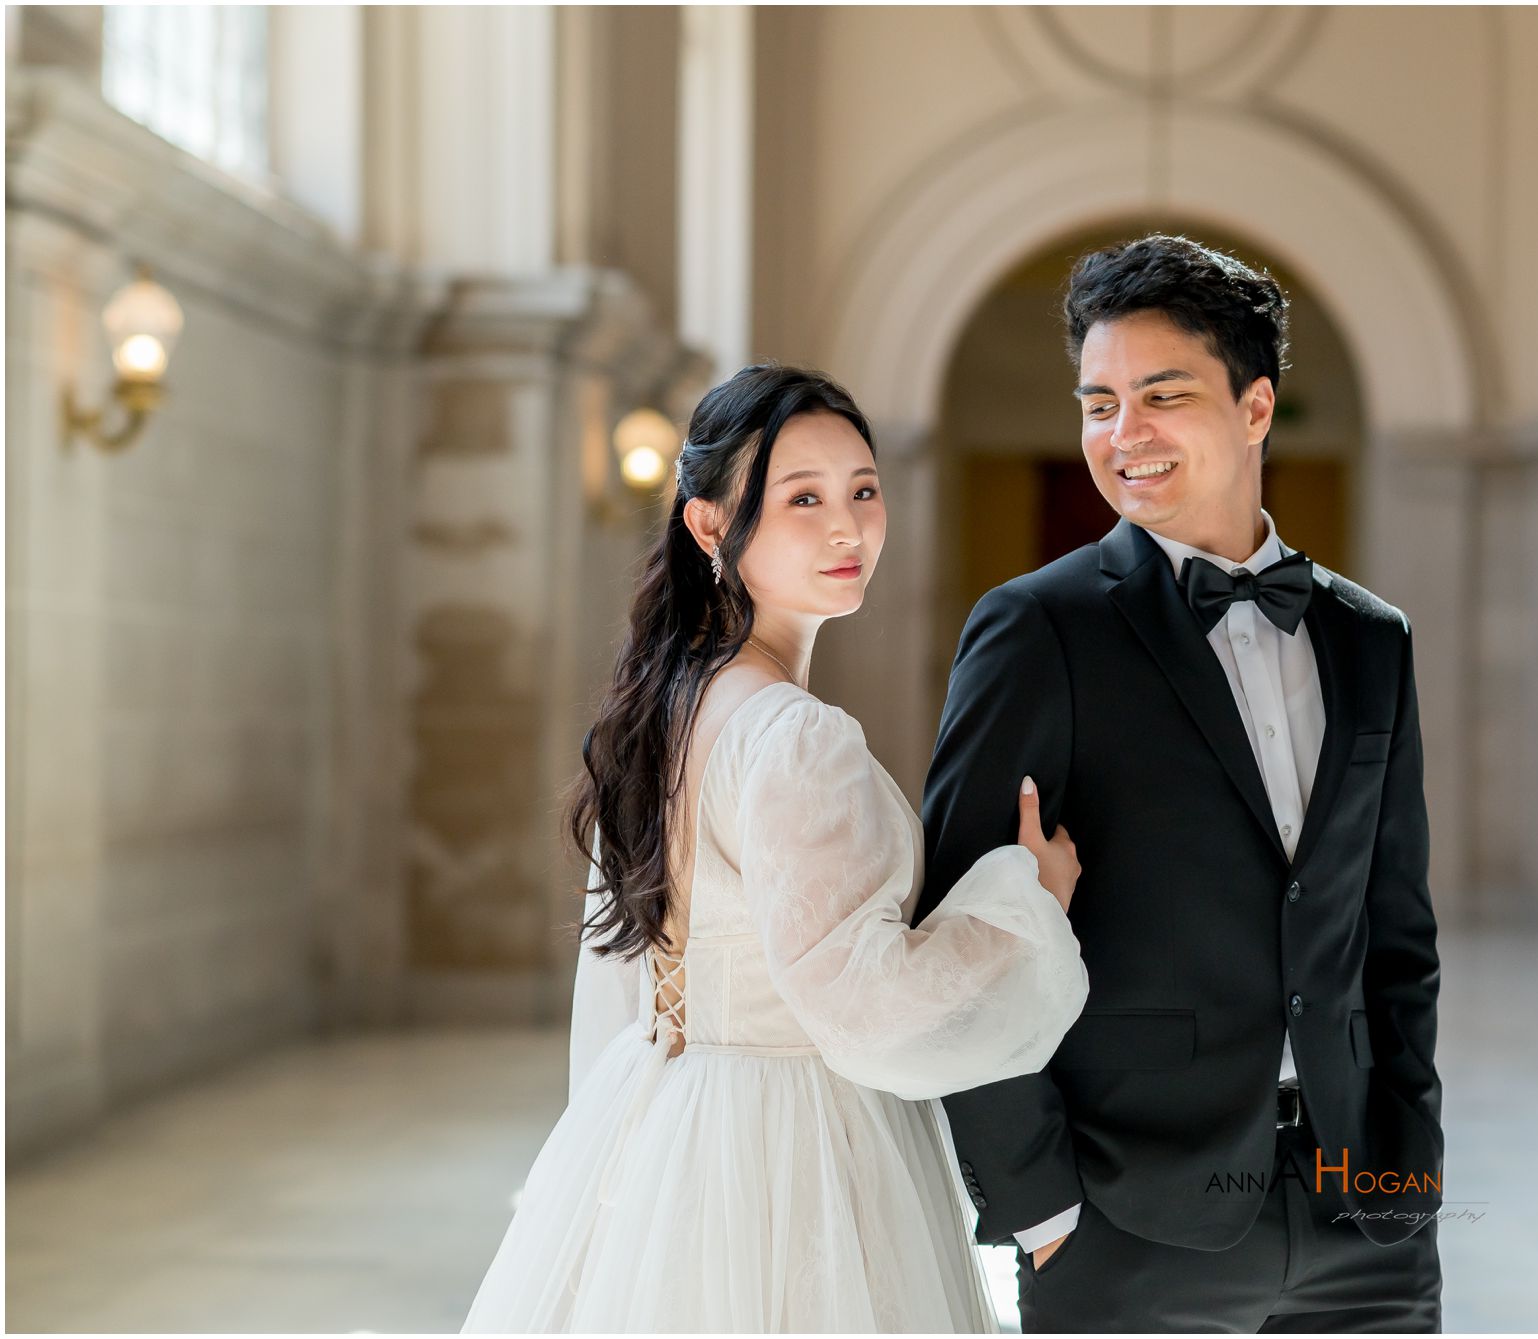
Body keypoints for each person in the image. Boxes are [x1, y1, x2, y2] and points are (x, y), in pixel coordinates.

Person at [461, 363, 1089, 1333]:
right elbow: (865, 1004)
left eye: (862, 491)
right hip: (795, 1141)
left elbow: (619, 985)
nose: (846, 528)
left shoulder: (664, 708)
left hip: (661, 1117)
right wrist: (1022, 901)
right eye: (802, 499)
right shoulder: (793, 734)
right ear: (709, 525)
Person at [917, 234, 1446, 1331]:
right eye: (1097, 401)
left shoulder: (1368, 639)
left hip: (1365, 1221)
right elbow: (958, 936)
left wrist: (1410, 1161)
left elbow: (1393, 928)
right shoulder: (1034, 630)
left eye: (1160, 395)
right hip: (1125, 1218)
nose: (1123, 435)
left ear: (1255, 408)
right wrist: (1038, 1204)